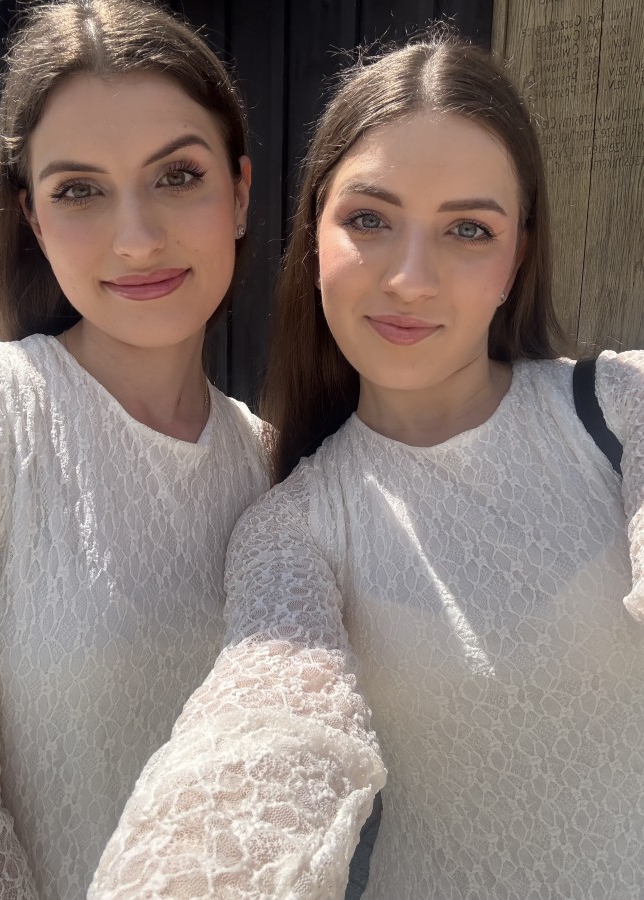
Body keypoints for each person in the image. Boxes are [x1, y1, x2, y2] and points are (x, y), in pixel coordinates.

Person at [89, 33, 644, 899]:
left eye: (467, 229)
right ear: (314, 234)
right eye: (369, 220)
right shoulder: (290, 530)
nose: (410, 280)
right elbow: (260, 727)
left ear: (517, 257)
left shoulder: (620, 409)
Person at [0, 1, 271, 897]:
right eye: (79, 190)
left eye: (177, 175)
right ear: (31, 217)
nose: (137, 238)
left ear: (239, 192)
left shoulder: (277, 466)